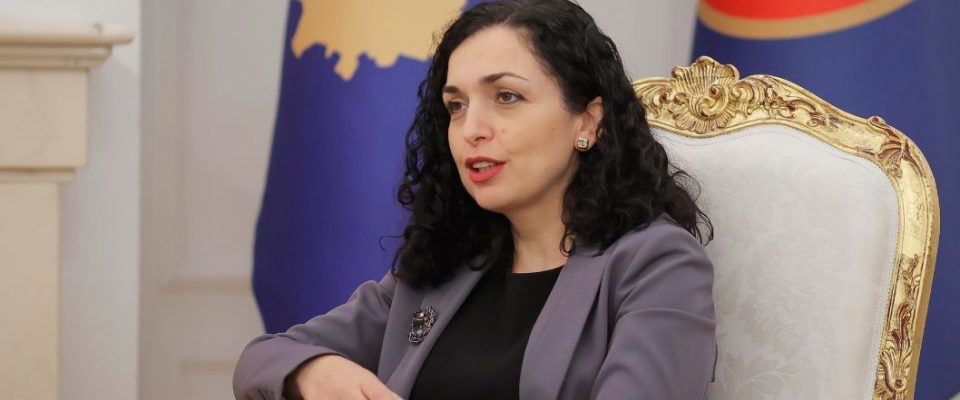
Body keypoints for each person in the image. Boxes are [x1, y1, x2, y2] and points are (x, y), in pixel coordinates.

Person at [234, 1, 716, 399]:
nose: (471, 130)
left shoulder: (657, 265)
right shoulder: (444, 265)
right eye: (456, 106)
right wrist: (315, 371)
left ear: (588, 121)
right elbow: (262, 359)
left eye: (506, 97)